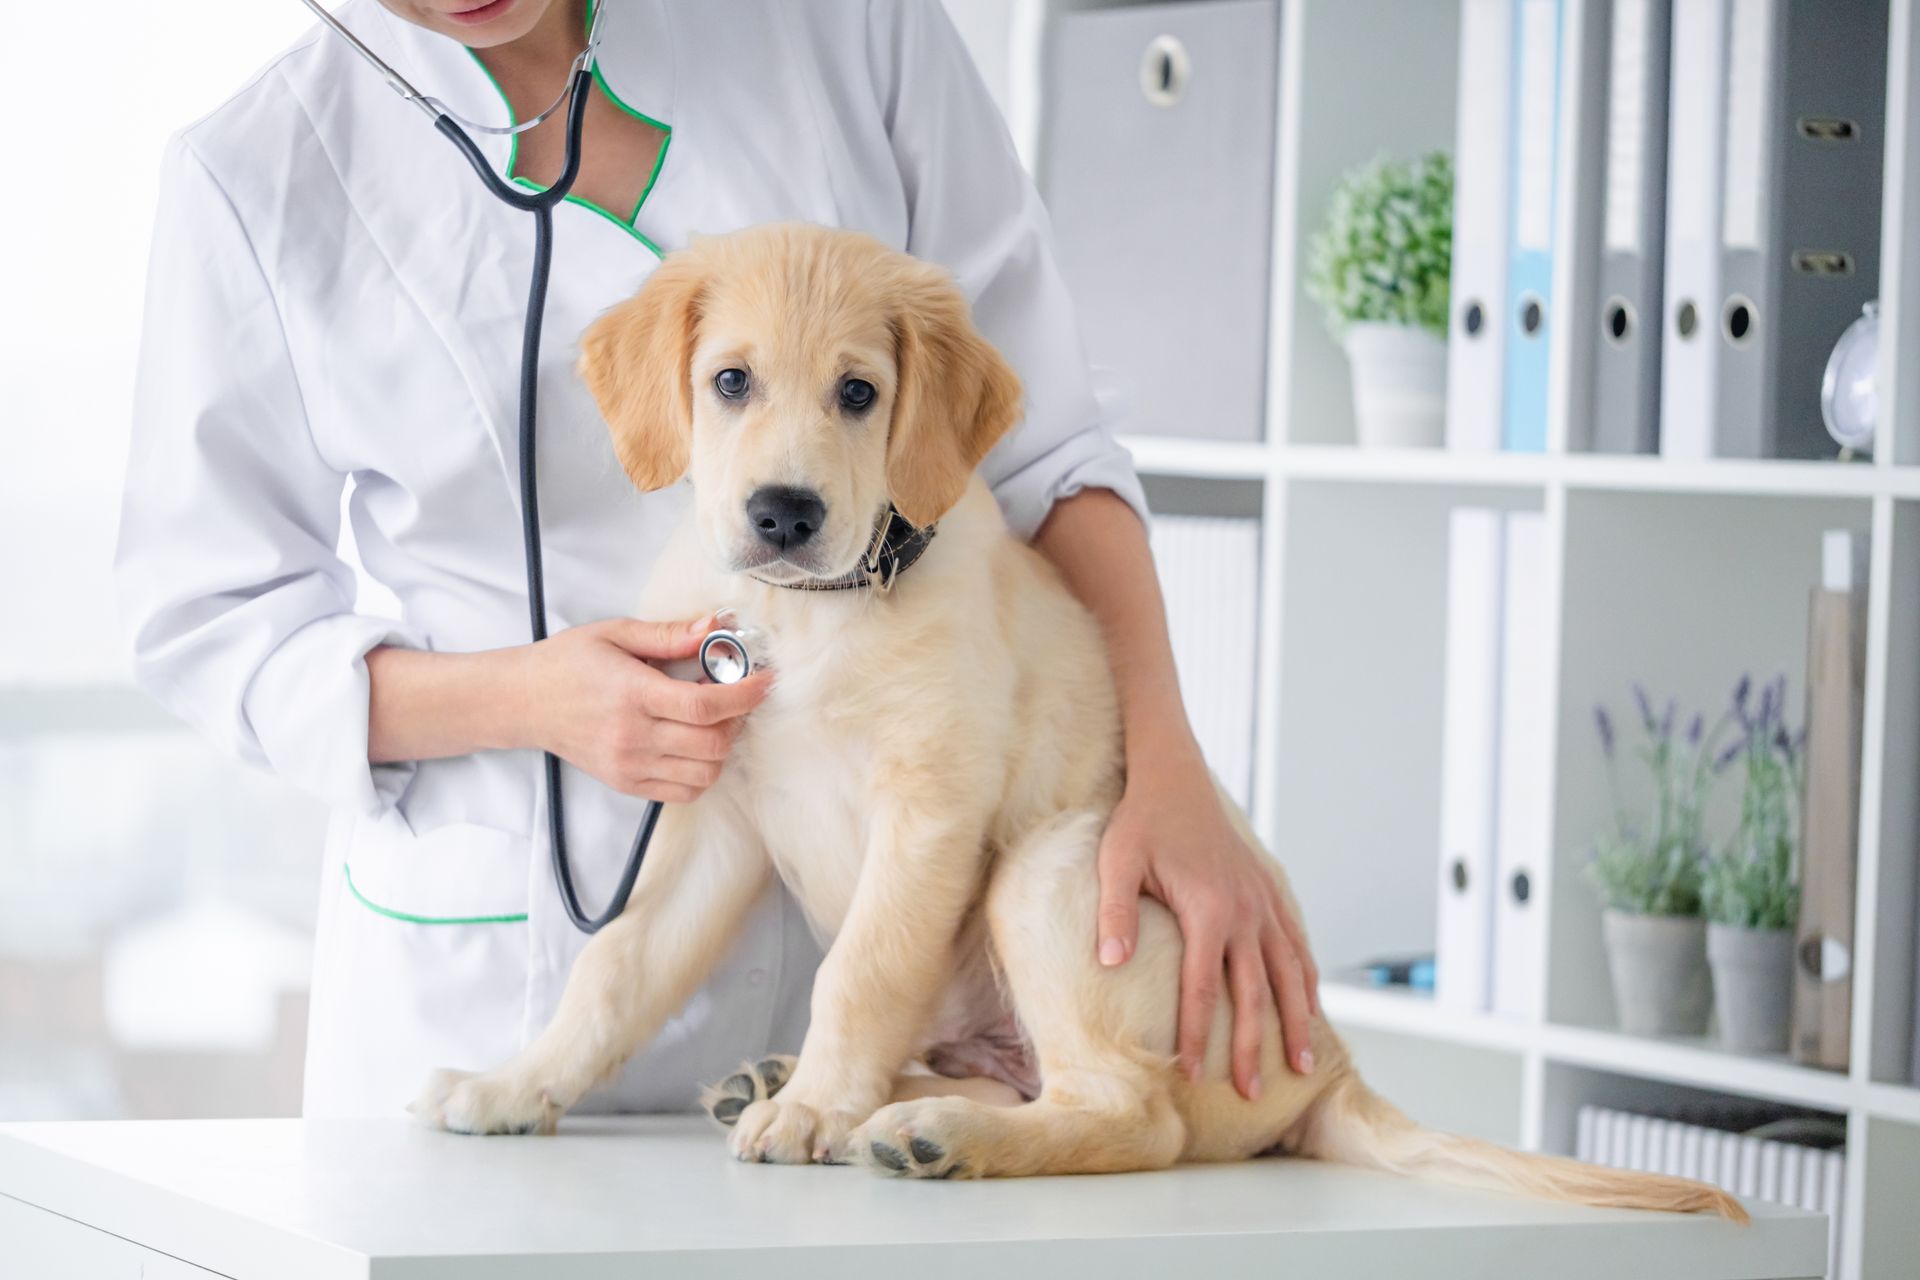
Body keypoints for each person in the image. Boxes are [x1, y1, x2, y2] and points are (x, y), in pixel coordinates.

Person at [115, 0, 1319, 1120]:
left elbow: (1039, 447)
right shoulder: (256, 173)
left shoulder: (847, 26)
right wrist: (532, 696)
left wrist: (1171, 773)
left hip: (884, 996)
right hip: (493, 963)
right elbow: (211, 616)